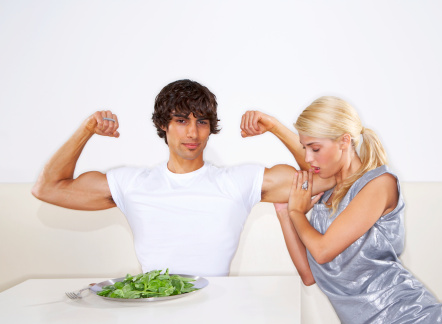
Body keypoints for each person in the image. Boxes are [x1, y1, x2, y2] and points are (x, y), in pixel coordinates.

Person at [31, 79, 333, 277]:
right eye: (181, 121)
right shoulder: (132, 183)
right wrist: (86, 129)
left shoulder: (237, 181)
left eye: (202, 122)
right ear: (164, 125)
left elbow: (322, 177)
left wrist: (273, 125)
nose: (192, 132)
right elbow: (48, 188)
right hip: (154, 308)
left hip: (217, 309)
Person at [240, 97, 442, 323]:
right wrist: (286, 212)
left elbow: (322, 250)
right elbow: (309, 275)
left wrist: (297, 212)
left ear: (344, 141)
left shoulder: (379, 184)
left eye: (315, 148)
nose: (308, 157)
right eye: (305, 147)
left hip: (412, 317)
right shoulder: (327, 193)